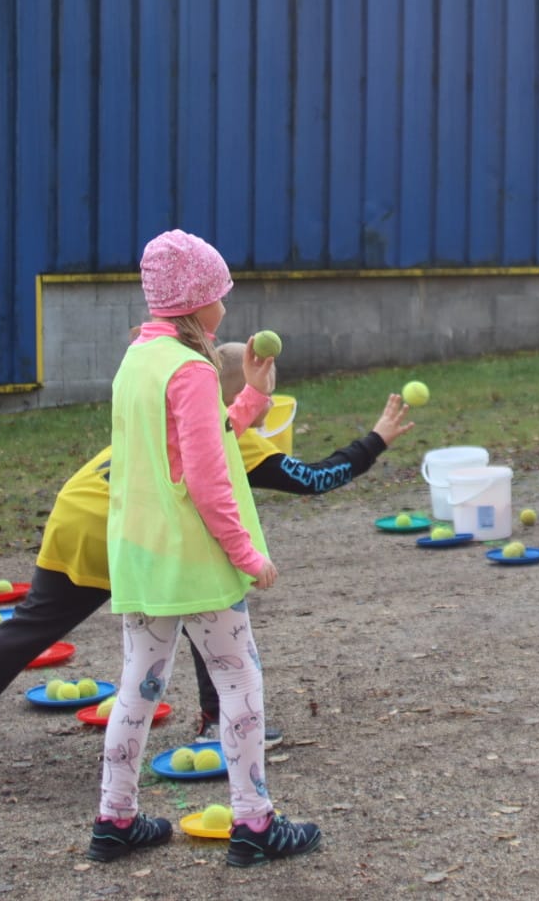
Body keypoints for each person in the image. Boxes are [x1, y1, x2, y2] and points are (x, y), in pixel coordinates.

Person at [0, 340, 411, 748]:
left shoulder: (171, 411)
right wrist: (377, 439)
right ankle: (217, 722)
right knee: (206, 603)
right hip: (125, 530)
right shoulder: (229, 434)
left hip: (77, 512)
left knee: (32, 625)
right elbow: (314, 479)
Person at [86, 229, 320, 866]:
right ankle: (255, 823)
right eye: (220, 292)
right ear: (196, 302)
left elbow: (197, 439)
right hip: (195, 558)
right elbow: (208, 476)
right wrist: (246, 553)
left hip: (143, 555)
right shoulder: (190, 369)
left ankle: (114, 818)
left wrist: (251, 398)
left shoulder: (139, 359)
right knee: (239, 677)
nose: (226, 302)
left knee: (138, 684)